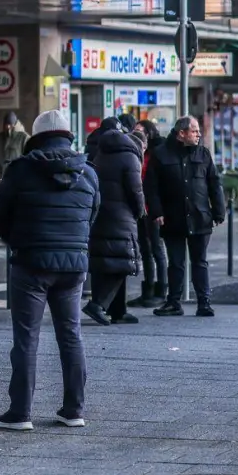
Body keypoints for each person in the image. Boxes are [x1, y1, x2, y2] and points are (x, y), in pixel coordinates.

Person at [0, 109, 98, 431]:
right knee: (71, 335)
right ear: (68, 135)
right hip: (73, 265)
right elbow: (93, 214)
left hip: (31, 263)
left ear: (35, 137)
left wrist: (18, 241)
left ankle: (20, 412)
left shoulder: (20, 170)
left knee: (26, 338)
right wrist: (75, 243)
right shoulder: (88, 172)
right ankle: (74, 409)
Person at [145, 116, 227, 318]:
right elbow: (151, 187)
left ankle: (204, 302)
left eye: (198, 131)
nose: (199, 134)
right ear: (181, 133)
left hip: (199, 217)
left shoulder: (203, 153)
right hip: (172, 217)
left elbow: (214, 184)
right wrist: (156, 211)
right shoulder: (161, 154)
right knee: (176, 262)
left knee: (200, 262)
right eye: (194, 131)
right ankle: (173, 302)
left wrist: (219, 211)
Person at [82, 117, 144, 327]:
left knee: (106, 262)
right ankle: (98, 304)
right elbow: (136, 190)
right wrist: (140, 211)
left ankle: (118, 310)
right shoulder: (130, 157)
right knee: (124, 263)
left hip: (101, 212)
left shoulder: (100, 154)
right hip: (122, 215)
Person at [126, 127, 168, 309]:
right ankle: (148, 290)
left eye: (140, 130)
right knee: (145, 250)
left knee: (157, 249)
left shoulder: (156, 155)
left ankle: (161, 291)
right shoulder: (138, 155)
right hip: (142, 209)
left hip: (153, 210)